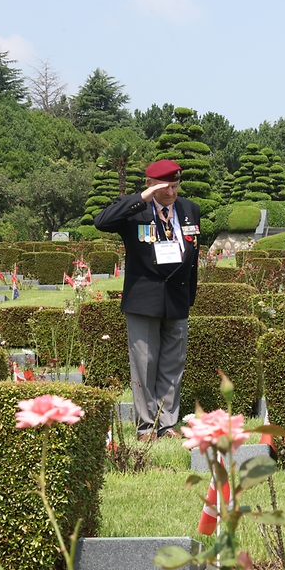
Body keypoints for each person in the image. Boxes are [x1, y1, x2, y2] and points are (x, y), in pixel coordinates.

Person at [94, 159, 201, 441]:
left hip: (177, 297)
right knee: (144, 364)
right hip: (144, 298)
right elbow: (102, 222)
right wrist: (142, 198)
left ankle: (167, 423)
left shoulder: (190, 210)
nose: (172, 193)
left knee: (172, 364)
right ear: (151, 185)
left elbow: (194, 257)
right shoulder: (135, 210)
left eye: (176, 186)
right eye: (165, 188)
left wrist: (190, 295)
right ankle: (145, 426)